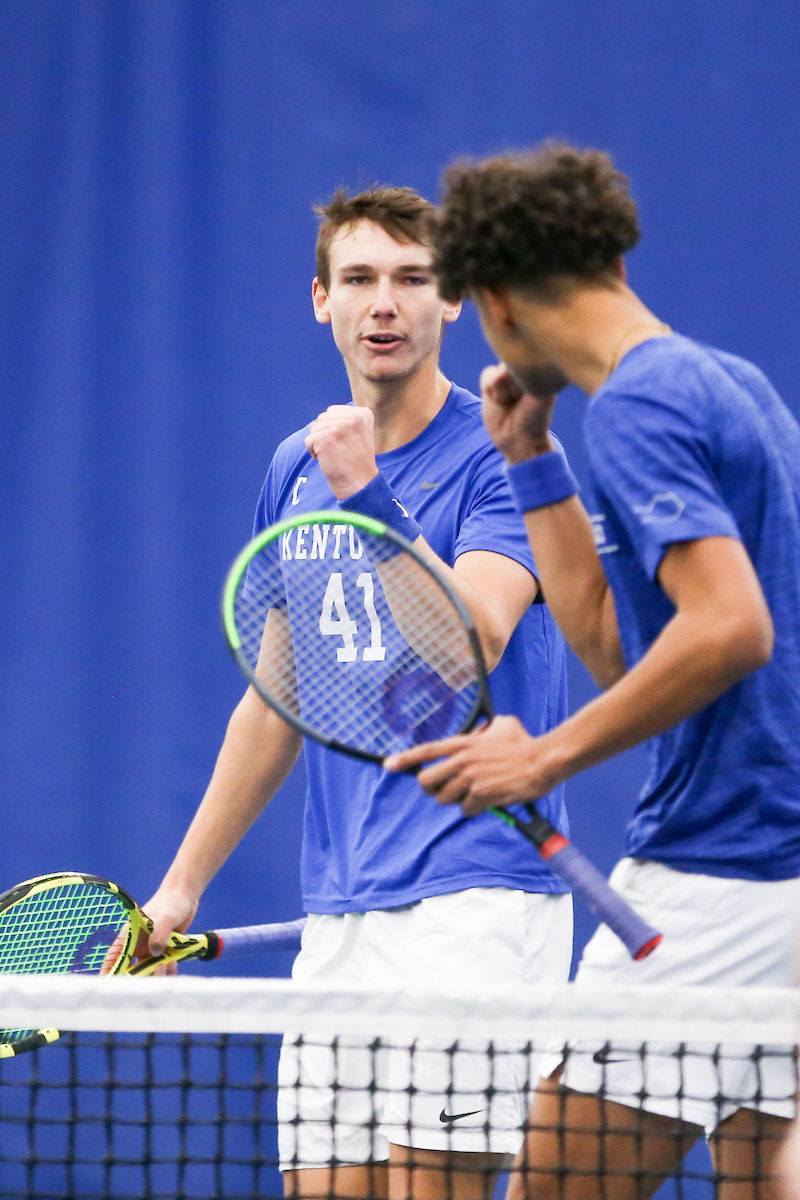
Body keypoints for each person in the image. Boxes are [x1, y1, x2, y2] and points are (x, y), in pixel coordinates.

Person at [141, 185, 574, 1200]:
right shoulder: (293, 468)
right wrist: (181, 887)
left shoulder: (497, 454)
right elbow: (276, 697)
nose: (384, 303)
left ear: (452, 299)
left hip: (476, 900)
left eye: (413, 279)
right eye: (360, 278)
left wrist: (365, 494)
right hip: (340, 912)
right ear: (320, 300)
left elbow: (471, 642)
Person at [386, 144, 800, 1199]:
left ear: (492, 303)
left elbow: (731, 629)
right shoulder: (727, 384)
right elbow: (622, 647)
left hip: (725, 864)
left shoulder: (636, 406)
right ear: (611, 260)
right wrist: (529, 456)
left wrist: (543, 758)